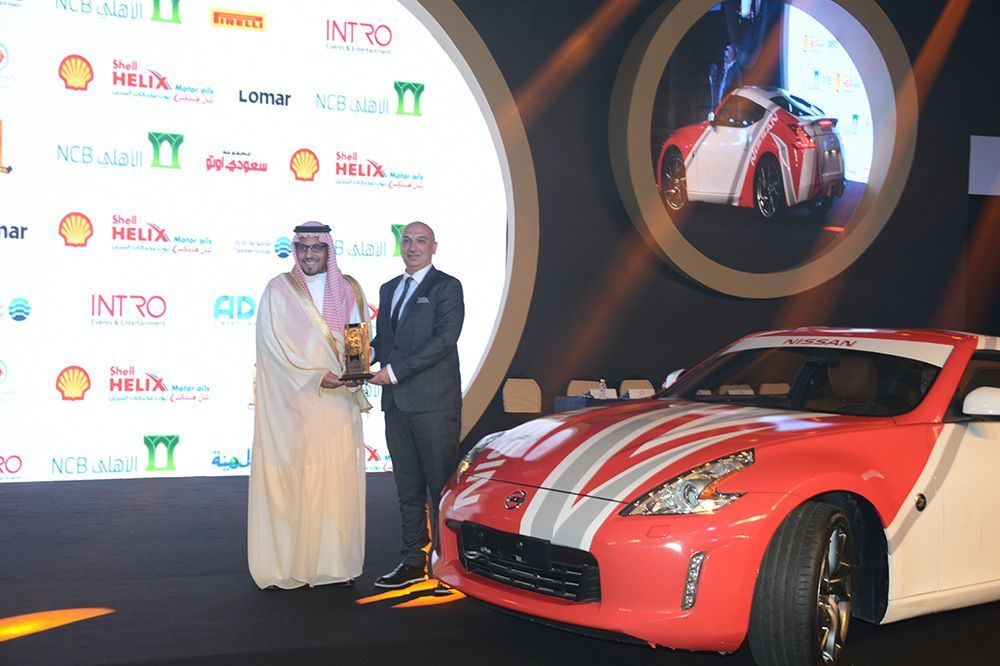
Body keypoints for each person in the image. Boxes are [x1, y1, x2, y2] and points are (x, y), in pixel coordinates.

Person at [247, 221, 372, 589]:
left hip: (338, 404)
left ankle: (333, 565)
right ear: (295, 250)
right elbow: (271, 347)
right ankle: (287, 566)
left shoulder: (348, 289)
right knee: (296, 481)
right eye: (303, 248)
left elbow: (357, 337)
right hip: (295, 404)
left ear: (328, 251)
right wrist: (315, 375)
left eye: (316, 248)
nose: (309, 255)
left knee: (335, 482)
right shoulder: (278, 289)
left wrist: (358, 370)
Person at [369, 221, 464, 589]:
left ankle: (447, 567)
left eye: (421, 241)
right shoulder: (389, 288)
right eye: (407, 241)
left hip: (434, 406)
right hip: (397, 407)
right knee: (407, 490)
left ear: (434, 247)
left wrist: (393, 372)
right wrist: (358, 358)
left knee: (440, 489)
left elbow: (444, 340)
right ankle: (412, 561)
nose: (412, 247)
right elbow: (384, 340)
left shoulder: (447, 287)